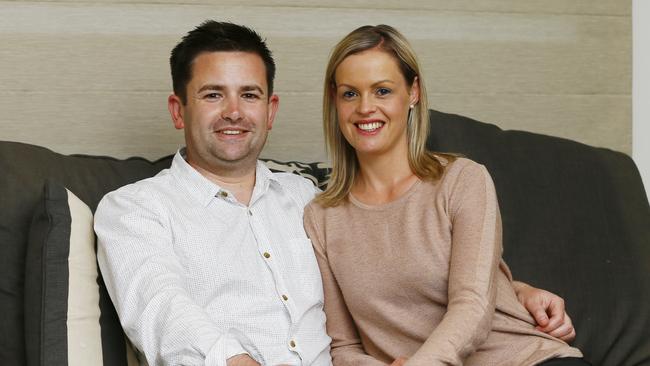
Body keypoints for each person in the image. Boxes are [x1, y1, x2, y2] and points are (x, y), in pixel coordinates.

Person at [95, 20, 577, 366]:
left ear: (271, 109)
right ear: (179, 110)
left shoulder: (304, 198)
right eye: (212, 94)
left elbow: (405, 256)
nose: (234, 112)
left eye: (250, 94)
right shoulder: (136, 209)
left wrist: (516, 290)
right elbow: (159, 307)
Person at [303, 24, 589, 366]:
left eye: (382, 91)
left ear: (413, 93)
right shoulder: (321, 217)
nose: (366, 107)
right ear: (335, 100)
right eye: (351, 93)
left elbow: (473, 303)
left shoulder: (463, 180)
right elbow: (344, 346)